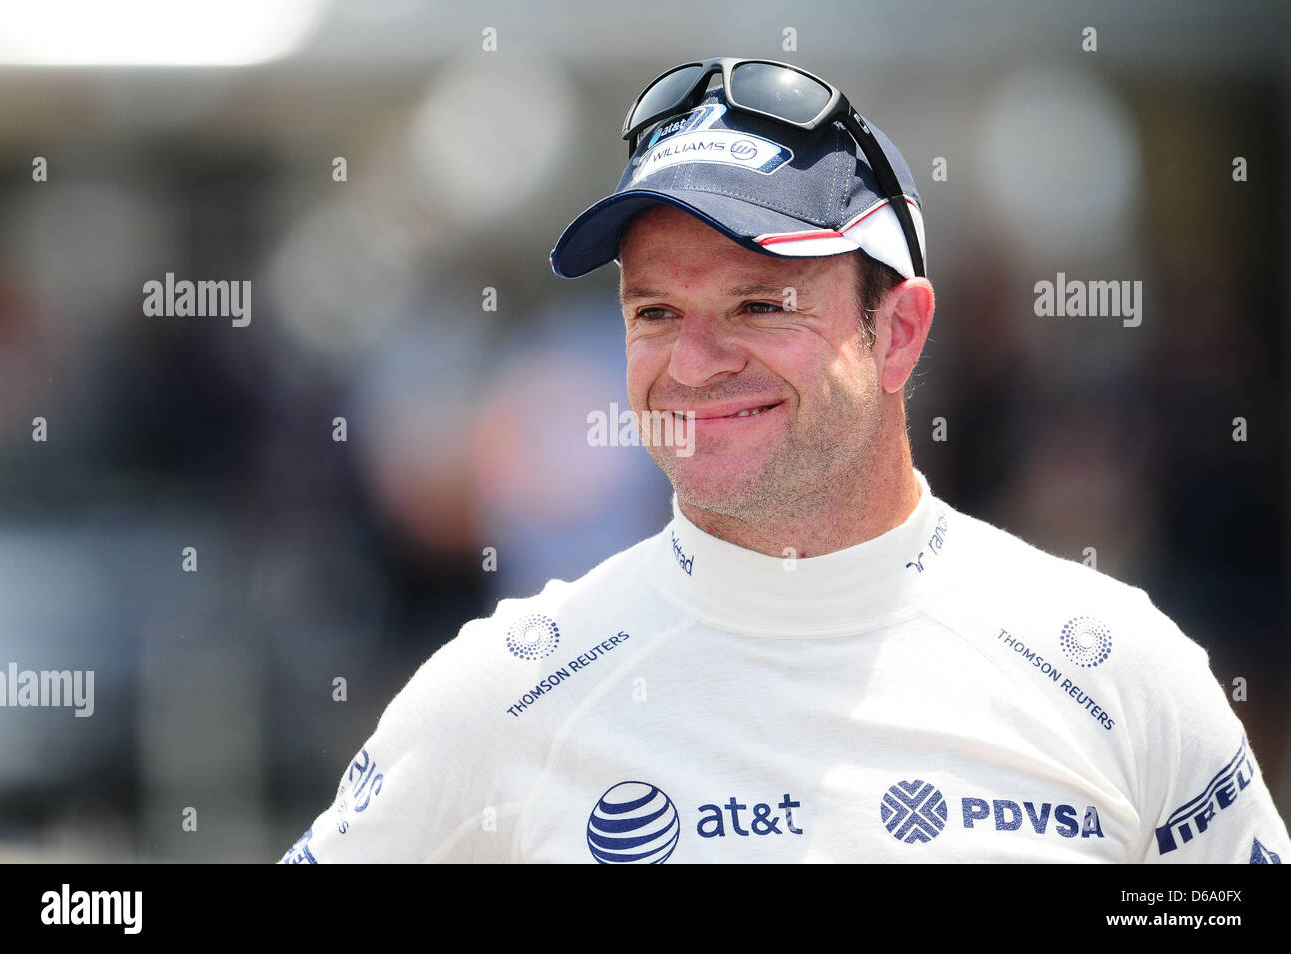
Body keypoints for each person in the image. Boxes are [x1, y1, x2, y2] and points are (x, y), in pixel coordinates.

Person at [282, 57, 1288, 863]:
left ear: (897, 334)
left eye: (760, 305)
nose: (693, 364)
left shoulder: (1113, 669)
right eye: (655, 312)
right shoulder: (502, 692)